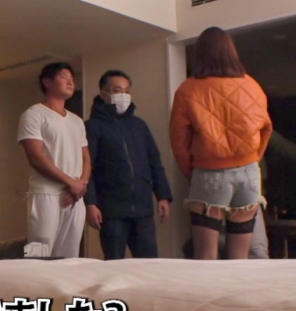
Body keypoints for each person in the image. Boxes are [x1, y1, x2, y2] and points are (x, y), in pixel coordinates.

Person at [170, 26, 273, 260]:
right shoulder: (252, 85)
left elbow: (178, 140)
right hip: (249, 174)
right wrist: (252, 160)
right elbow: (266, 128)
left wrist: (192, 173)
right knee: (240, 259)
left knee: (206, 257)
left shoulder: (188, 89)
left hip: (209, 174)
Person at [84, 70, 173, 260]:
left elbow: (154, 162)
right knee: (115, 264)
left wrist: (163, 196)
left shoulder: (139, 125)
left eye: (127, 91)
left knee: (149, 264)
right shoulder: (92, 127)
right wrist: (90, 203)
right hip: (111, 212)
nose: (123, 95)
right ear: (103, 94)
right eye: (117, 90)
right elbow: (86, 167)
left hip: (143, 211)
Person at [18, 62, 91, 258]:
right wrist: (70, 183)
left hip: (75, 197)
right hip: (46, 194)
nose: (70, 82)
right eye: (63, 77)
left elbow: (85, 158)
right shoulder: (34, 114)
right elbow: (35, 157)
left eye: (72, 78)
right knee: (39, 253)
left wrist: (80, 186)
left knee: (70, 256)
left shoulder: (77, 121)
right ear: (47, 82)